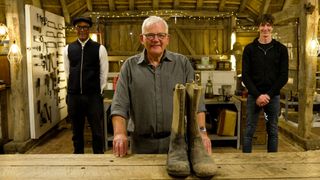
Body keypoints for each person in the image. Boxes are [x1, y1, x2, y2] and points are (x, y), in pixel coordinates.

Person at [111, 16, 211, 157]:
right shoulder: (129, 67)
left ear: (167, 39)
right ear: (142, 39)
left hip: (177, 144)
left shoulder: (182, 64)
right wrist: (120, 133)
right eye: (150, 35)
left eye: (161, 35)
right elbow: (119, 106)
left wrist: (202, 133)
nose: (156, 39)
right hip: (140, 145)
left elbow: (197, 104)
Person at [242, 14, 288, 153]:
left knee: (272, 130)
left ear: (272, 27)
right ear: (258, 27)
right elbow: (245, 76)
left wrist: (268, 95)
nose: (265, 28)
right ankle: (245, 163)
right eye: (262, 25)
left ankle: (272, 163)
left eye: (268, 25)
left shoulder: (281, 49)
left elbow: (283, 76)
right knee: (249, 130)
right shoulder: (249, 49)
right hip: (253, 97)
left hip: (272, 97)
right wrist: (257, 95)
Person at [63, 17, 109, 154]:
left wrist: (98, 92)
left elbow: (103, 74)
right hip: (74, 97)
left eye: (85, 27)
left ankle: (98, 159)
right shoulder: (68, 49)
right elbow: (67, 73)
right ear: (75, 29)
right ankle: (78, 158)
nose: (82, 30)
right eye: (79, 27)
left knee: (97, 132)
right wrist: (71, 90)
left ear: (89, 29)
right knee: (76, 133)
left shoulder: (99, 49)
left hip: (93, 97)